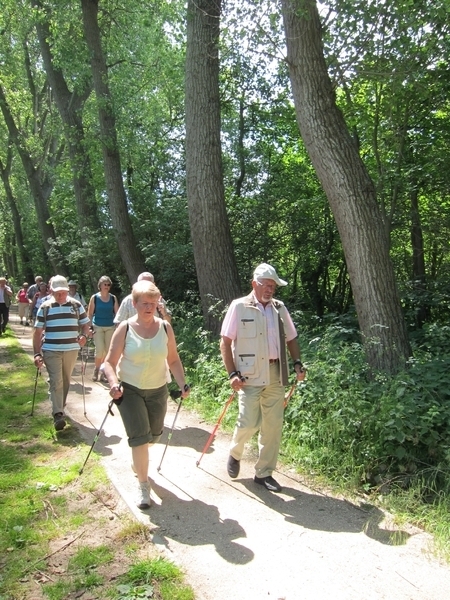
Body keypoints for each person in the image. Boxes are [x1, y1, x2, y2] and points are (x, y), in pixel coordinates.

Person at [220, 263, 306, 493]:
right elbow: (225, 342)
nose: (270, 289)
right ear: (254, 284)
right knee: (249, 421)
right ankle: (235, 452)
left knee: (273, 424)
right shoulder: (239, 307)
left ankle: (264, 473)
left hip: (276, 372)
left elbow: (291, 338)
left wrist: (297, 363)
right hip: (248, 375)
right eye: (266, 285)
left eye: (273, 286)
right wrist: (232, 373)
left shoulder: (279, 308)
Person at [104, 280, 190, 510]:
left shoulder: (164, 327)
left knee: (153, 436)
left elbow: (173, 359)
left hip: (157, 389)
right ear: (134, 304)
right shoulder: (125, 328)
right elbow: (109, 363)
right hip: (129, 390)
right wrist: (113, 383)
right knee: (140, 438)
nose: (149, 307)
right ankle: (143, 485)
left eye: (153, 303)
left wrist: (182, 383)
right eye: (144, 303)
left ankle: (138, 460)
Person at [33, 275, 91, 431]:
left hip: (71, 349)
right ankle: (58, 414)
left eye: (63, 292)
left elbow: (86, 325)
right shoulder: (45, 307)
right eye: (58, 292)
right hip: (51, 349)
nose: (61, 295)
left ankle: (60, 405)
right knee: (56, 380)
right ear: (51, 291)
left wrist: (84, 336)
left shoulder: (76, 305)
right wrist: (37, 354)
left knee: (65, 380)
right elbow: (38, 332)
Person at [87, 276, 119, 381]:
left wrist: (118, 326)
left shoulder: (113, 298)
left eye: (108, 284)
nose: (106, 286)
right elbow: (90, 313)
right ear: (100, 285)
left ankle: (104, 372)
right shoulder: (95, 298)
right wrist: (89, 327)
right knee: (99, 351)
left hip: (110, 326)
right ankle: (96, 369)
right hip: (98, 326)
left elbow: (117, 314)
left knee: (107, 351)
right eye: (105, 284)